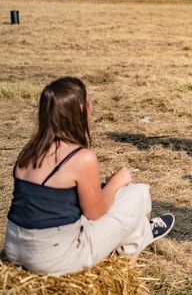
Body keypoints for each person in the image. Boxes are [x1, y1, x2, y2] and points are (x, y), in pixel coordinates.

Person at [4, 77, 174, 275]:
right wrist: (116, 183)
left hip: (15, 248)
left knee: (124, 196)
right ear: (83, 110)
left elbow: (53, 201)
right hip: (53, 257)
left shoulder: (29, 151)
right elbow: (95, 213)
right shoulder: (81, 157)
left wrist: (107, 187)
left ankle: (142, 231)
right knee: (139, 193)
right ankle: (131, 253)